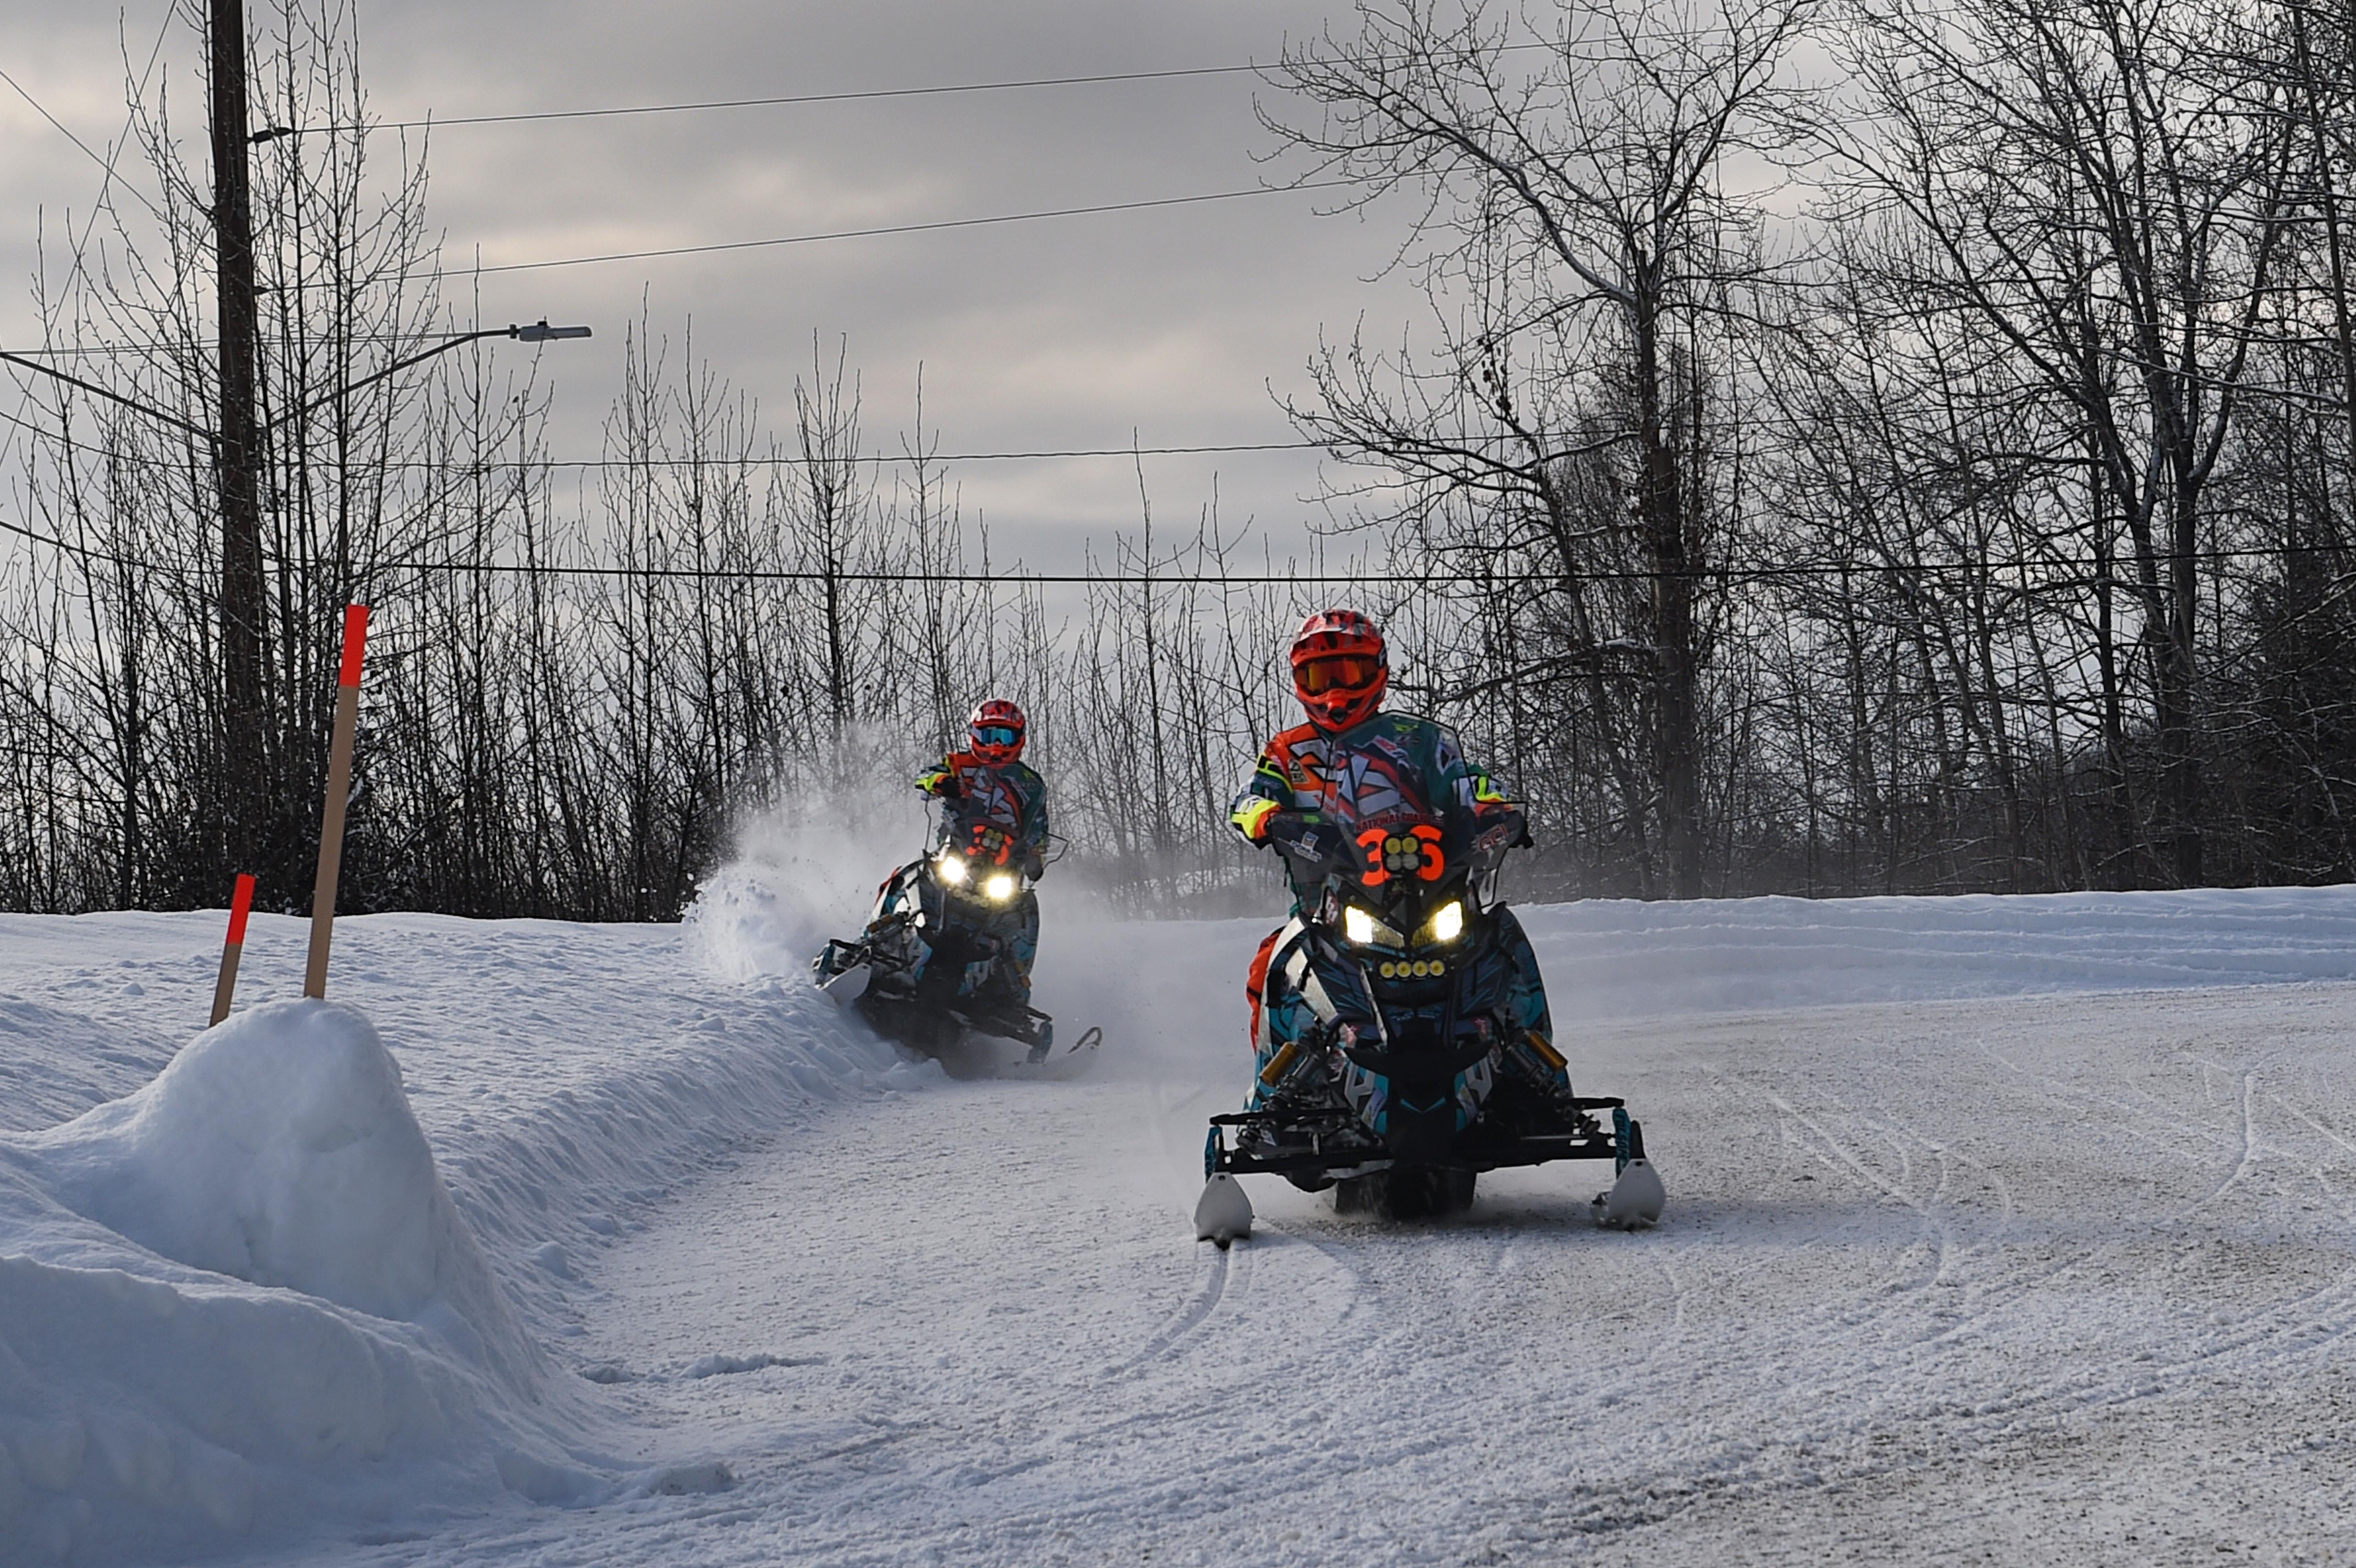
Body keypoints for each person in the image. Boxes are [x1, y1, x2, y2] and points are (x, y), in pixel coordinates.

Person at [1228, 609, 1565, 1102]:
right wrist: (1267, 818)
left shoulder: (1415, 740)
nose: (1334, 690)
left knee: (1502, 942)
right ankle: (1273, 1095)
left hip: (1428, 894)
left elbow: (1465, 779)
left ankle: (1537, 1077)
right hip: (1330, 906)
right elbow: (1248, 799)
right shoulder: (1287, 752)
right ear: (1299, 680)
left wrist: (1495, 810)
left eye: (1348, 673)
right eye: (1320, 676)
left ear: (1377, 671)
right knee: (1271, 966)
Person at [913, 698, 1050, 1021]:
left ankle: (1011, 991)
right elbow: (925, 777)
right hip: (956, 851)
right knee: (914, 880)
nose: (996, 746)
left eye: (1004, 737)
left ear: (1019, 738)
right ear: (975, 735)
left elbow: (1038, 826)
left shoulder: (1031, 784)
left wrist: (1035, 856)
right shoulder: (960, 764)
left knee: (1023, 913)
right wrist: (940, 783)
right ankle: (880, 937)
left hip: (1002, 867)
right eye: (989, 737)